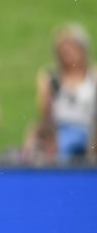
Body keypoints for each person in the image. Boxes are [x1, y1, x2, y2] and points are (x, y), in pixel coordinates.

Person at [26, 23, 97, 164]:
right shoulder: (51, 79)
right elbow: (46, 114)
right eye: (63, 51)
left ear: (82, 50)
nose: (67, 54)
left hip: (88, 128)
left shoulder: (93, 77)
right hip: (60, 129)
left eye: (72, 49)